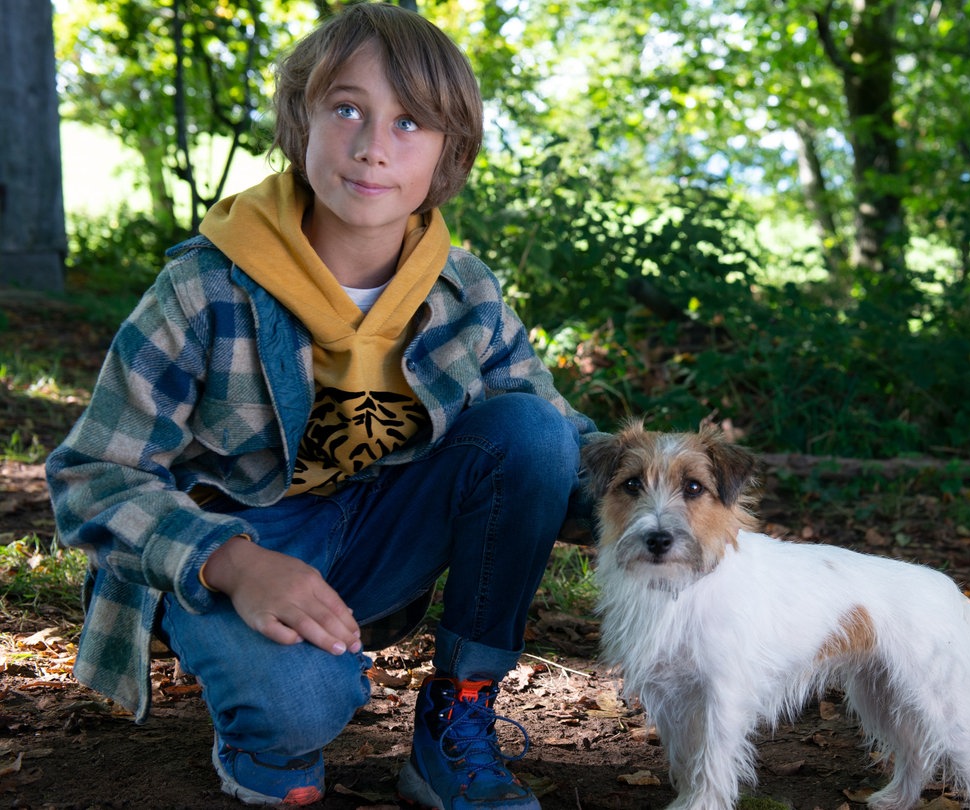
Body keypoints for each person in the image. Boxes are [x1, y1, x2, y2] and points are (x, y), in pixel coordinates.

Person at [45, 4, 596, 808]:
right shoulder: (207, 286)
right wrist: (234, 563)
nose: (374, 145)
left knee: (530, 433)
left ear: (451, 152)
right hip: (228, 553)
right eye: (348, 109)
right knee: (298, 707)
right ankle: (267, 742)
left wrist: (673, 499)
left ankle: (458, 714)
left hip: (372, 538)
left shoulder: (461, 291)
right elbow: (91, 473)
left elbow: (555, 446)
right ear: (301, 118)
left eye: (410, 122)